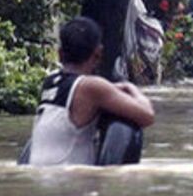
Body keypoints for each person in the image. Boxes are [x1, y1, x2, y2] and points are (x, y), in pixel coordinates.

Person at [27, 17, 156, 166]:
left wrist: (111, 89)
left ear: (60, 54)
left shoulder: (50, 81)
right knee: (128, 126)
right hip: (68, 181)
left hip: (40, 175)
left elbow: (80, 92)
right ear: (98, 54)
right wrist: (130, 87)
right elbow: (147, 115)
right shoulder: (92, 87)